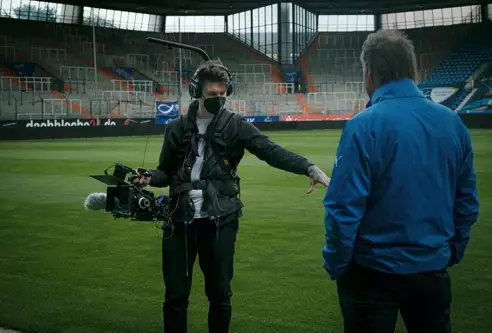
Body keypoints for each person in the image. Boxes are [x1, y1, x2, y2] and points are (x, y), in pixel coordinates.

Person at [135, 59, 330, 333]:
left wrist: (308, 167)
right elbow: (165, 172)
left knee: (220, 295)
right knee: (176, 296)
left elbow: (270, 151)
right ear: (197, 91)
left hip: (221, 220)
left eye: (223, 94)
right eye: (212, 95)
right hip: (179, 221)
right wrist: (149, 177)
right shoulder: (177, 128)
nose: (219, 99)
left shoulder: (236, 125)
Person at [322, 30, 479, 333]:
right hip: (432, 271)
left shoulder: (363, 125)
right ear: (412, 69)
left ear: (369, 72)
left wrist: (337, 264)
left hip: (371, 274)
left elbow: (343, 208)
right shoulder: (453, 123)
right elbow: (467, 202)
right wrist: (451, 252)